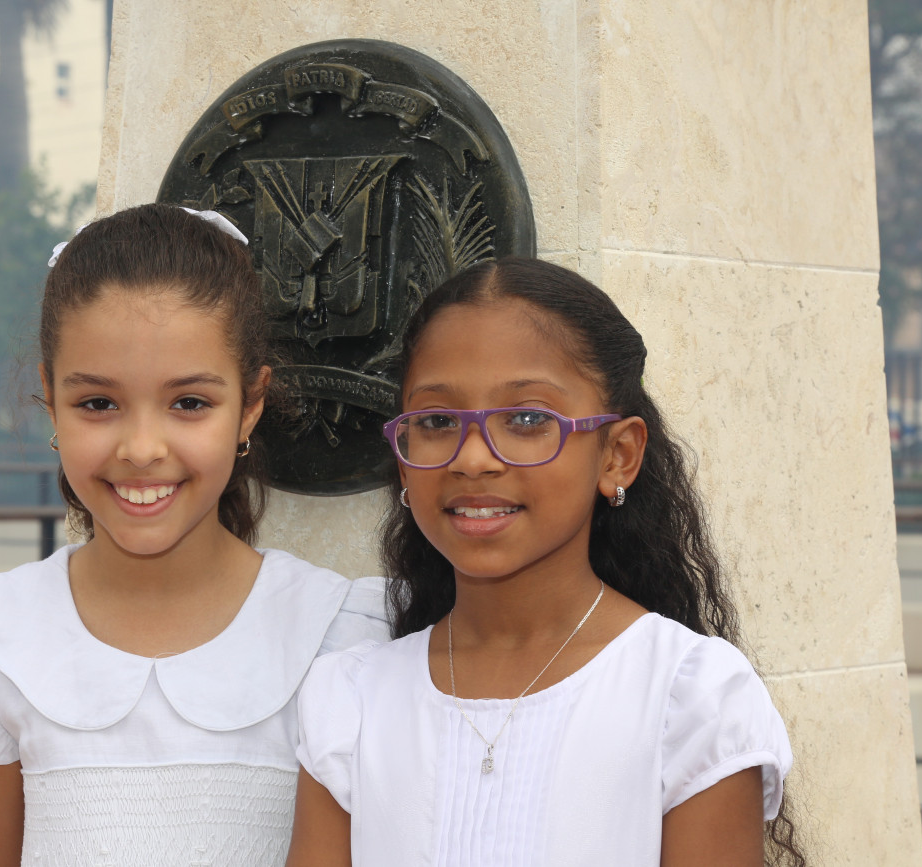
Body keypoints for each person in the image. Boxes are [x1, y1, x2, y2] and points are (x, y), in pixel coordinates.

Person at [0, 204, 389, 867]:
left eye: (189, 403)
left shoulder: (333, 639)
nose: (142, 448)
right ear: (50, 398)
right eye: (98, 403)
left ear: (250, 406)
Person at [286, 257, 804, 866]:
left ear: (617, 454)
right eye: (437, 420)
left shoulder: (691, 700)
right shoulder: (351, 701)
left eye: (528, 419)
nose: (472, 459)